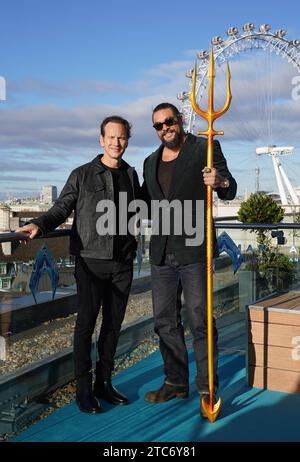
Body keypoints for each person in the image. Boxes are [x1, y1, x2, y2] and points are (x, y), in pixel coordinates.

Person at [16, 116, 141, 414]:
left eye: (121, 137)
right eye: (111, 137)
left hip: (122, 262)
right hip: (90, 261)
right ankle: (83, 390)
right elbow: (61, 208)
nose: (116, 142)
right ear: (101, 140)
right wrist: (38, 225)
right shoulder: (82, 174)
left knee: (113, 325)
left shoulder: (131, 175)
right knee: (86, 325)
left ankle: (104, 383)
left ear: (127, 140)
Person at [141, 102, 237, 414]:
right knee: (165, 321)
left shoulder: (205, 147)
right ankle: (175, 382)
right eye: (158, 125)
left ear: (180, 120)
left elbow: (230, 188)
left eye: (168, 121)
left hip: (195, 250)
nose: (164, 128)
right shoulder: (149, 161)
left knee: (200, 321)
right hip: (161, 252)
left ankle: (207, 388)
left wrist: (219, 181)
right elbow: (142, 199)